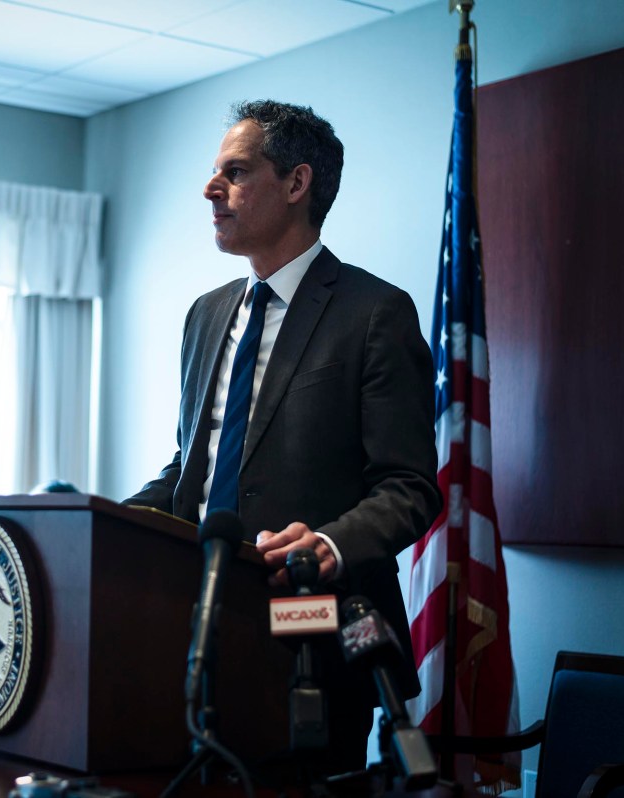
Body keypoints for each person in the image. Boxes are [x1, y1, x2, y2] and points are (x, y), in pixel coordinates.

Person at [125, 100, 442, 774]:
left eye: (234, 172)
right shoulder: (206, 315)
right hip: (196, 627)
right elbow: (196, 466)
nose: (211, 189)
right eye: (215, 173)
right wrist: (107, 523)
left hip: (314, 637)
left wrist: (329, 544)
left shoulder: (374, 312)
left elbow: (410, 487)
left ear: (296, 184)